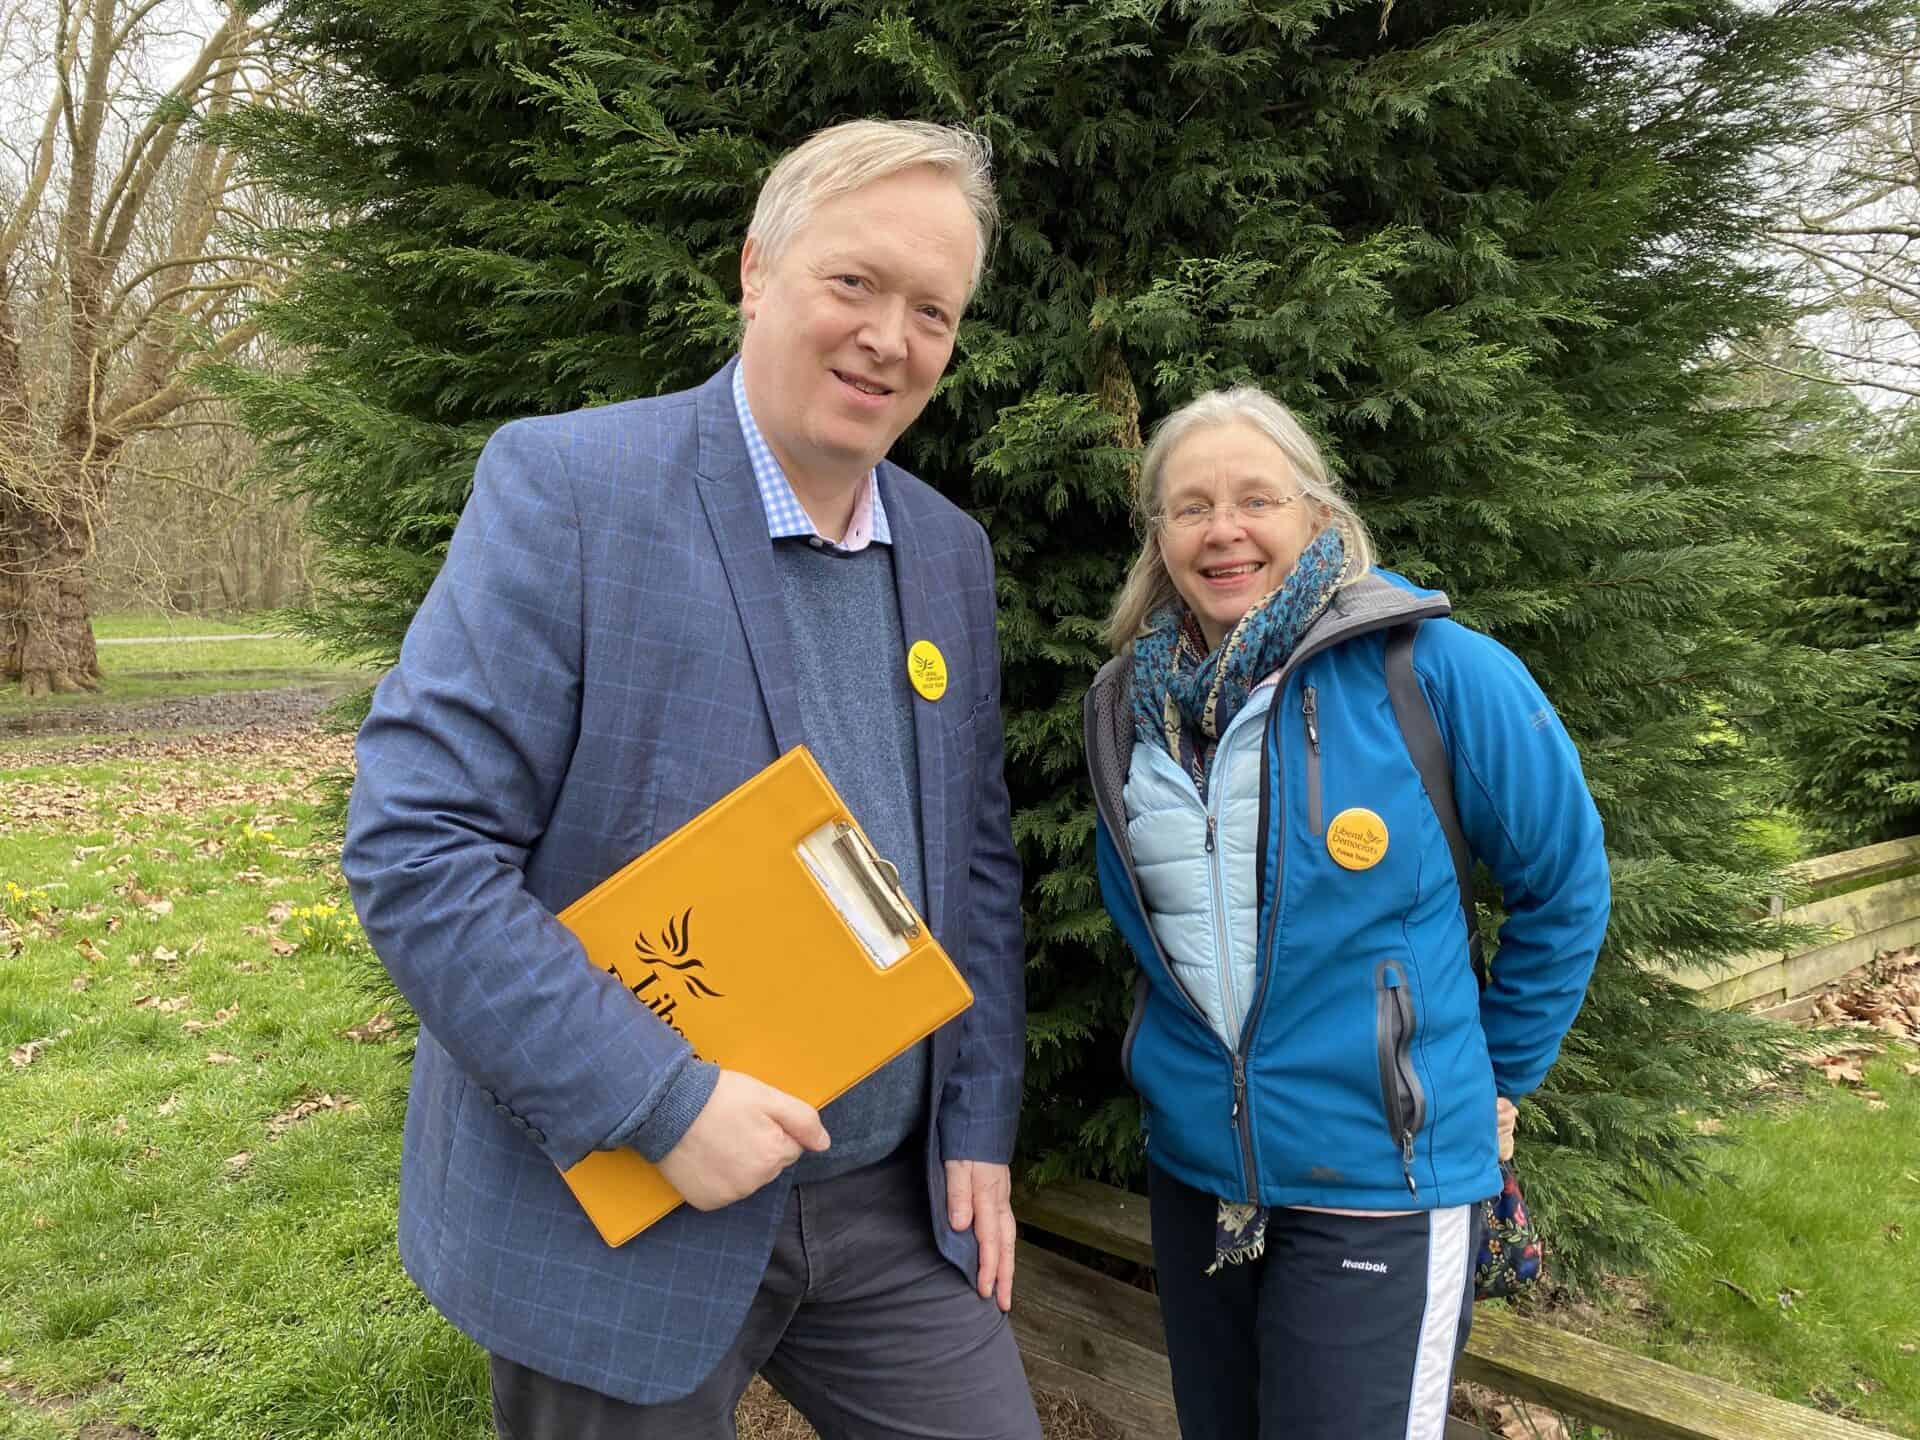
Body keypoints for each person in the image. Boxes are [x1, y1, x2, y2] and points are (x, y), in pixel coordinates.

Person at [343, 119, 1039, 1440]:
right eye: (854, 283)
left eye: (932, 308)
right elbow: (415, 846)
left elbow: (976, 865)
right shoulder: (571, 489)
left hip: (885, 1205)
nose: (890, 337)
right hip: (623, 1203)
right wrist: (660, 1102)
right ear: (756, 273)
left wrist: (980, 1125)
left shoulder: (947, 553)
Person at [1080, 386, 1611, 1439]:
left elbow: (1566, 885)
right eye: (1188, 507)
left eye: (1254, 499)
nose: (1222, 530)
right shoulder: (1124, 708)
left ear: (1317, 514)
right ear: (1159, 537)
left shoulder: (1437, 673)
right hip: (1200, 1178)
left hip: (1385, 1182)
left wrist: (1486, 1081)